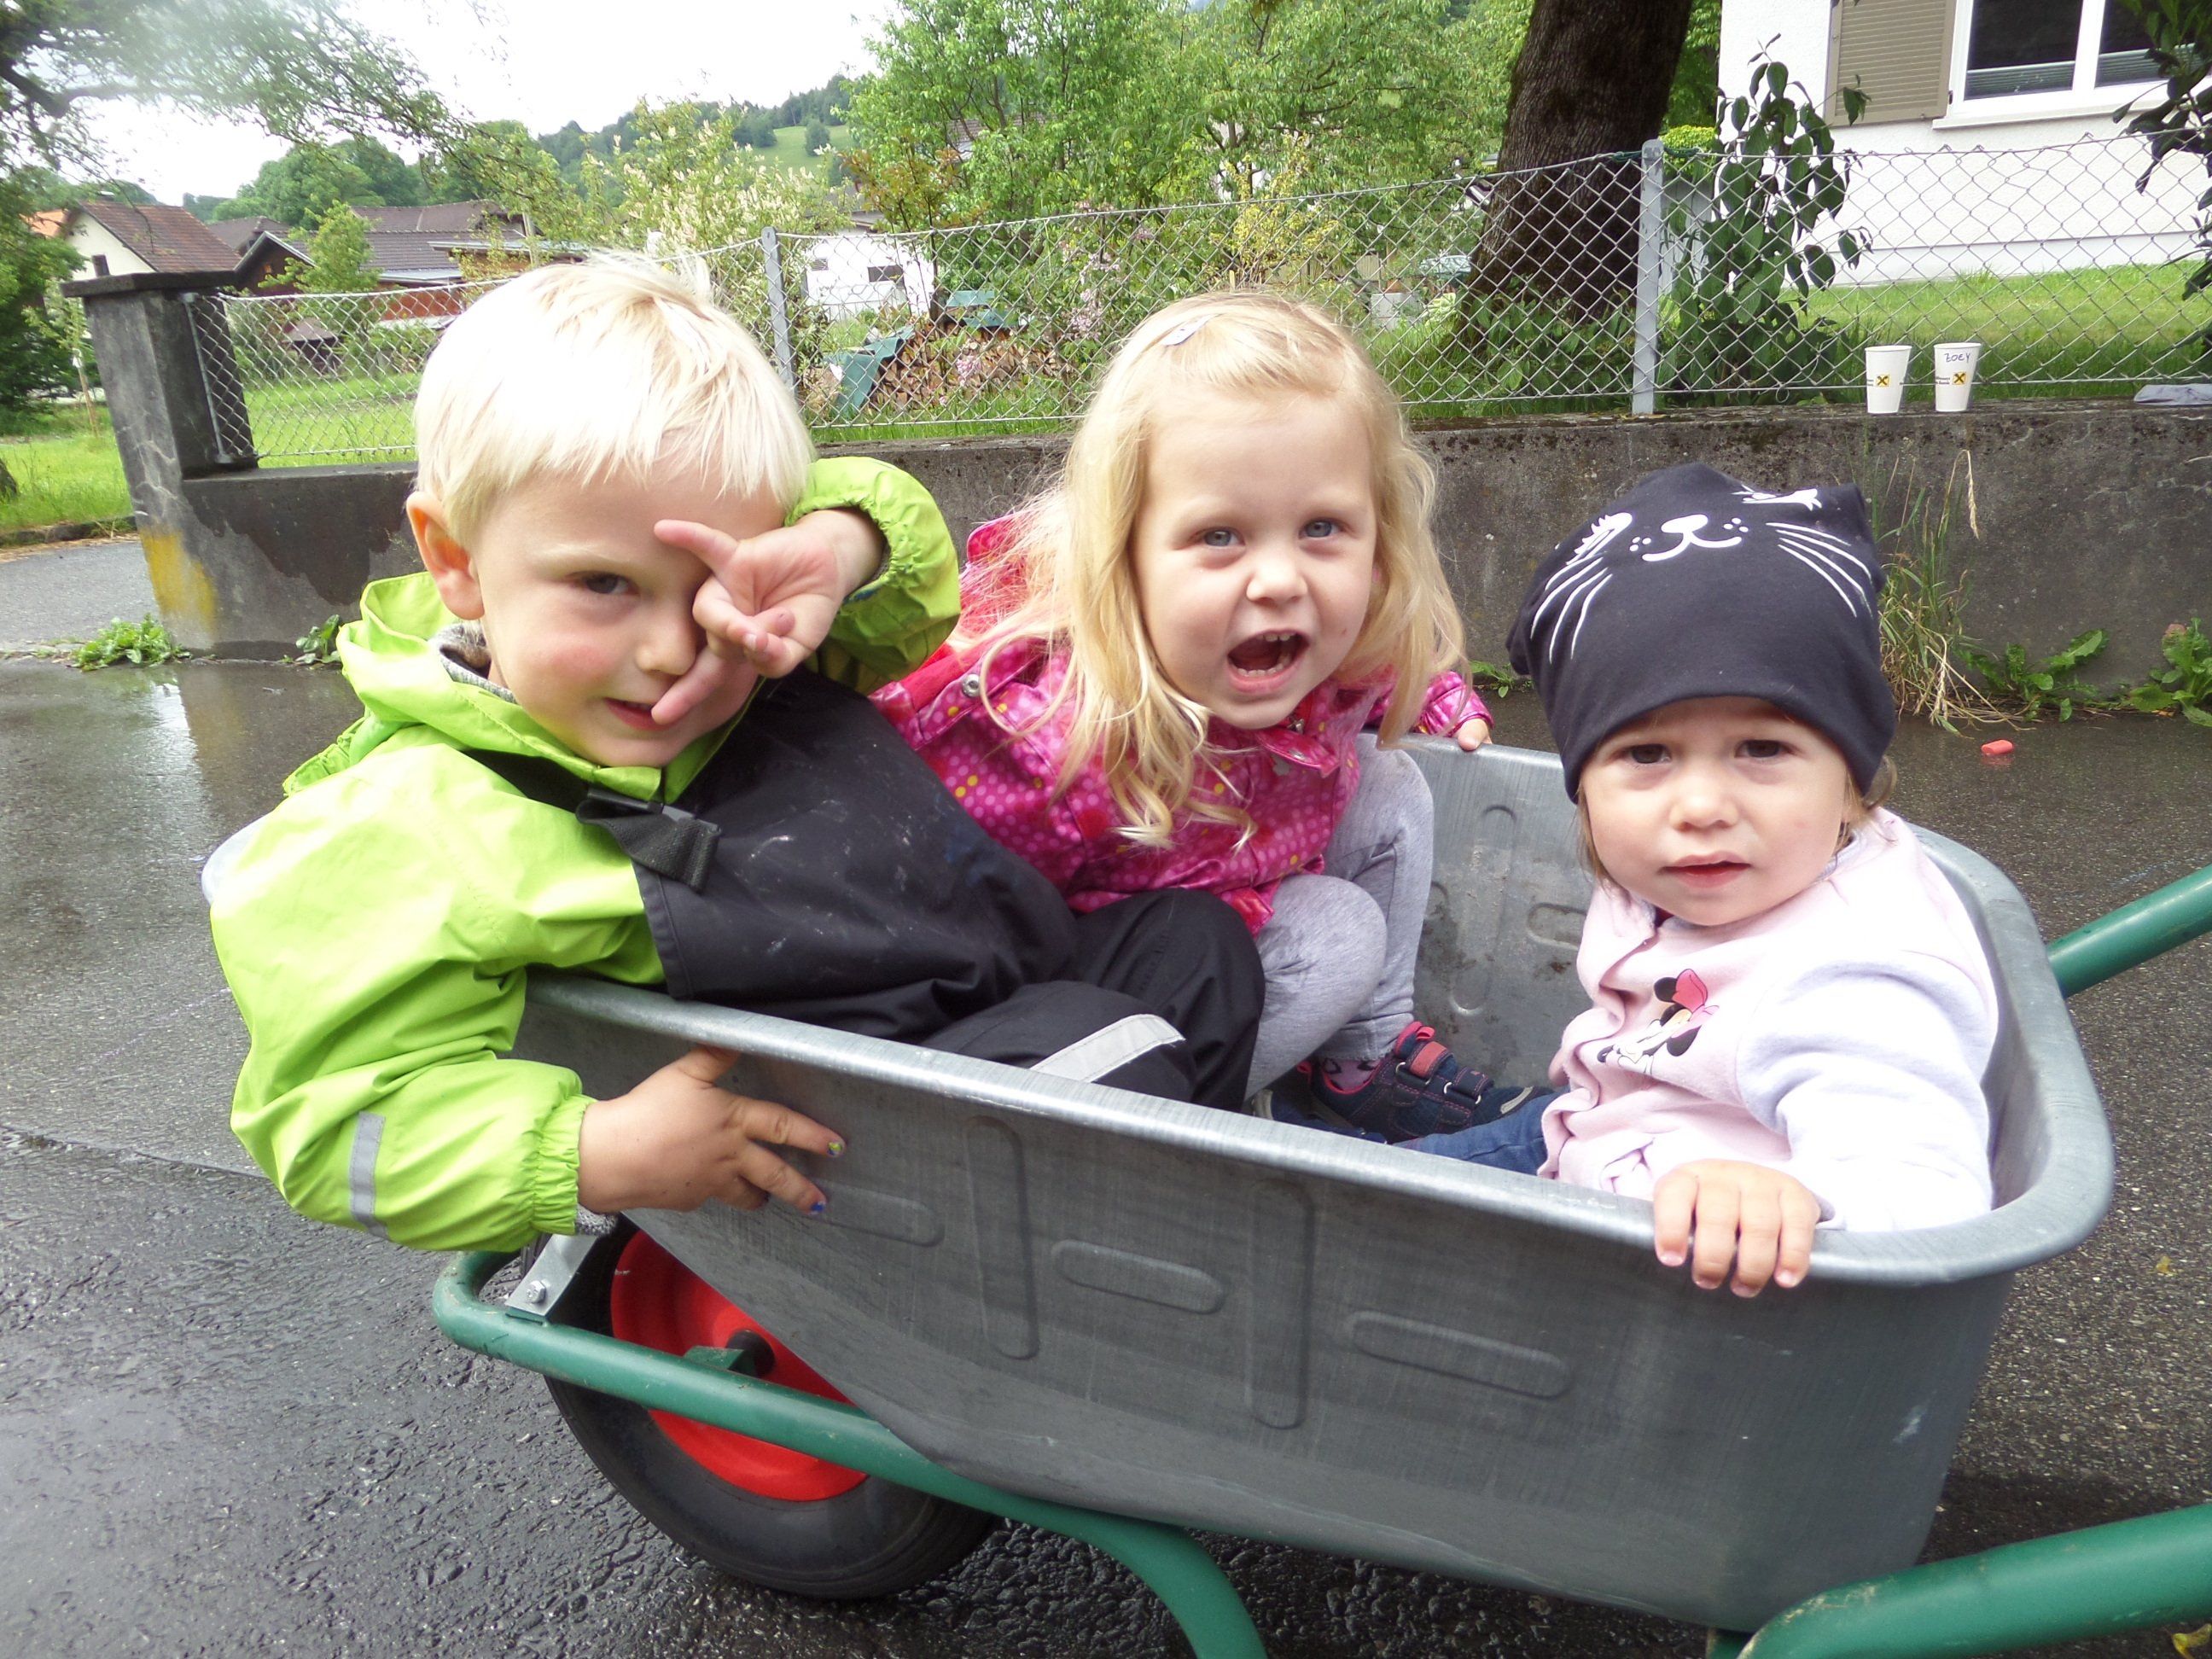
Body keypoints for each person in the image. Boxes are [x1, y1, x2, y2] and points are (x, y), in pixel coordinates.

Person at [207, 259, 1263, 1255]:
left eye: (713, 587)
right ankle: (1135, 1279)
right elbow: (329, 1124)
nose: (675, 651)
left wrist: (837, 546)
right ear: (456, 561)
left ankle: (1143, 1252)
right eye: (605, 586)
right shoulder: (408, 825)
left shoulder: (757, 650)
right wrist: (587, 1149)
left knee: (1198, 944)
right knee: (1116, 1053)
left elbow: (907, 568)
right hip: (858, 1117)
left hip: (995, 982)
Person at [871, 290, 1499, 1139]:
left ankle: (1364, 1060)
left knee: (1391, 783)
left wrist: (1432, 688)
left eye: (1322, 527)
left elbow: (1374, 661)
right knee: (1340, 932)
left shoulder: (1324, 635)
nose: (1279, 580)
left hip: (1235, 859)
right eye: (1220, 537)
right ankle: (1206, 1114)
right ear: (1124, 557)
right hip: (1144, 967)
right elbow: (948, 915)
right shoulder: (1056, 746)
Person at [1398, 462, 1998, 1297]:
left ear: (1852, 776)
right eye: (1647, 753)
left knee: (1366, 1237)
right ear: (1584, 784)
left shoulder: (1856, 972)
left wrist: (1796, 1199)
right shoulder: (1709, 869)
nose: (1703, 806)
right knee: (1364, 1186)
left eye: (1763, 748)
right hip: (1597, 1131)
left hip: (1680, 1267)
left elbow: (1923, 1185)